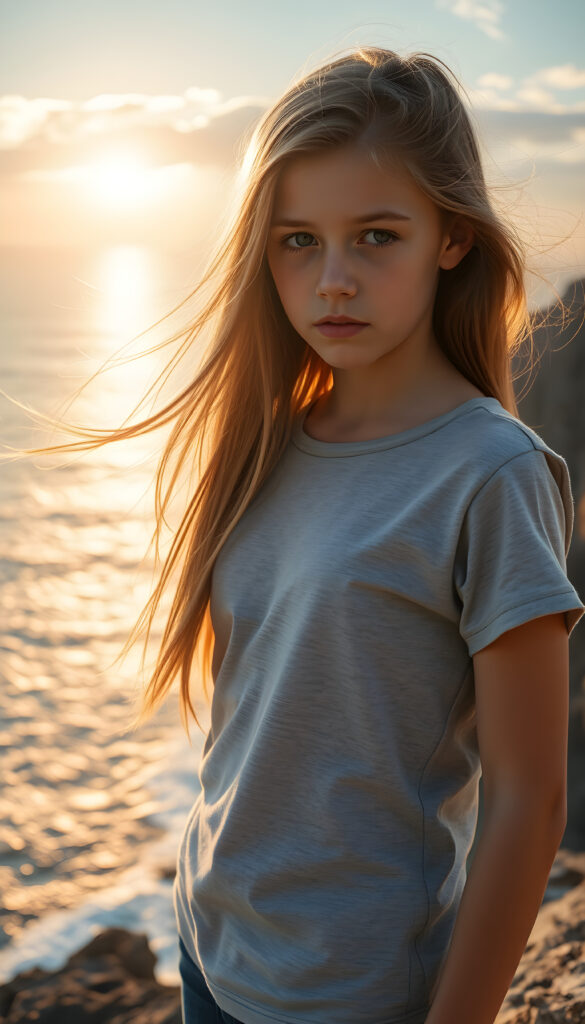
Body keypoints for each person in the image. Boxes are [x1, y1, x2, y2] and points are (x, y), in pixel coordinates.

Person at [11, 46, 585, 1024]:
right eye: (296, 241)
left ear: (451, 237)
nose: (332, 282)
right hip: (211, 949)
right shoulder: (270, 435)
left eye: (375, 236)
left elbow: (529, 800)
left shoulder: (491, 473)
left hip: (349, 995)